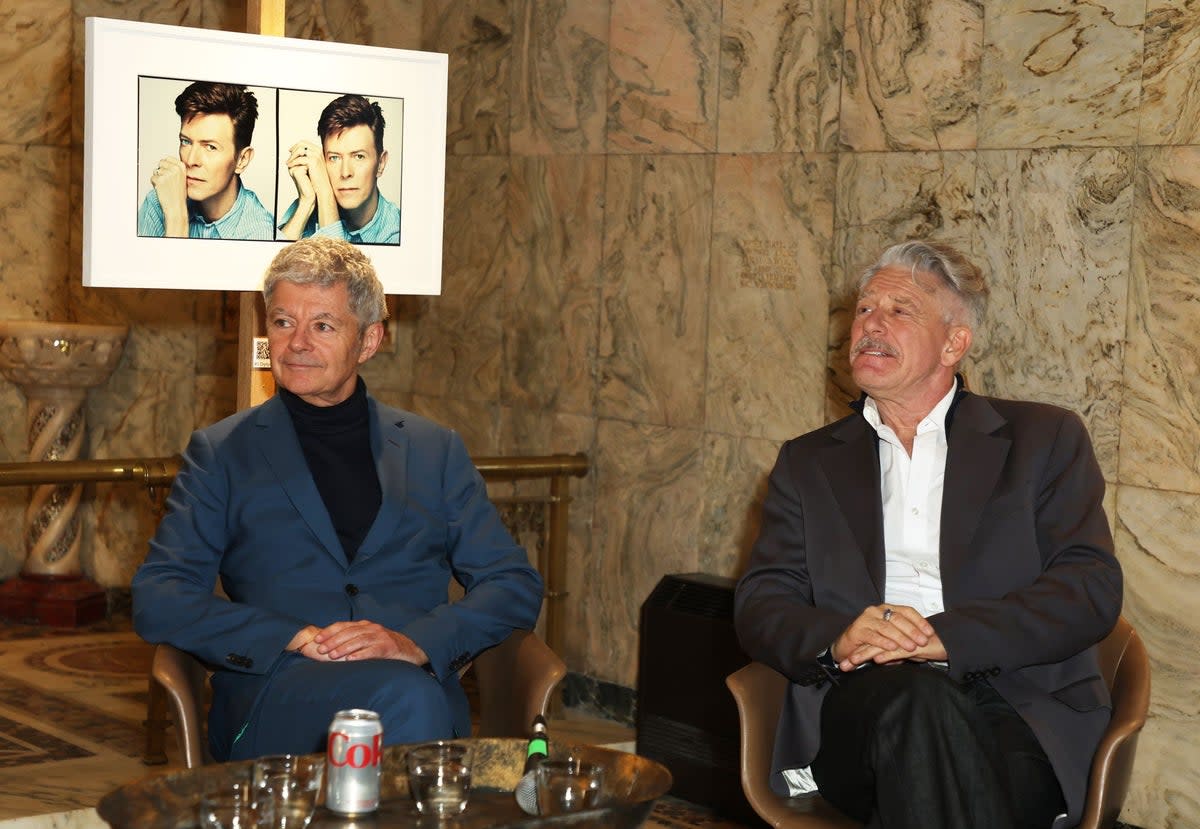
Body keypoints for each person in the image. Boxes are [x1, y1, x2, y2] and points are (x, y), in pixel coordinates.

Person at [733, 240, 1122, 829]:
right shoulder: (808, 463)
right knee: (915, 702)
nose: (870, 325)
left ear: (954, 342)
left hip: (1017, 708)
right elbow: (761, 603)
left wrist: (945, 638)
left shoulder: (1042, 441)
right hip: (861, 711)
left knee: (956, 768)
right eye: (864, 309)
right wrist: (840, 635)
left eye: (900, 310)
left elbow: (1088, 588)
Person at [132, 236, 542, 761]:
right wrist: (288, 635)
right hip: (279, 698)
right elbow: (159, 595)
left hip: (413, 691)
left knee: (407, 693)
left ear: (369, 341)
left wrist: (415, 643)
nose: (297, 342)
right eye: (282, 322)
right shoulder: (221, 452)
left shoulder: (433, 449)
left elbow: (512, 584)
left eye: (322, 325)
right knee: (407, 700)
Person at [137, 81, 275, 240]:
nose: (191, 160)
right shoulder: (158, 202)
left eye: (210, 147)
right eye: (186, 142)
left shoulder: (261, 234)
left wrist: (177, 218)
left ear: (242, 160)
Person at [278, 94, 400, 244]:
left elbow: (337, 267)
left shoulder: (397, 232)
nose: (345, 172)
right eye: (334, 158)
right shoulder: (308, 206)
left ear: (381, 164)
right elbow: (270, 263)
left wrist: (325, 193)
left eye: (359, 156)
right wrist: (307, 202)